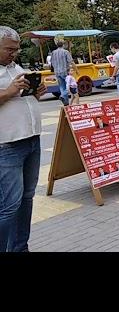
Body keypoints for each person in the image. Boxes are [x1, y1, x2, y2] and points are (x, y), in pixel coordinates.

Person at [0, 25, 48, 252]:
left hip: (31, 141)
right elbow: (9, 95)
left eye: (17, 49)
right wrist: (9, 92)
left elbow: (20, 100)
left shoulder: (15, 67)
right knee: (9, 206)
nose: (14, 53)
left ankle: (20, 248)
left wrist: (34, 94)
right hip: (7, 145)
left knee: (26, 199)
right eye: (9, 49)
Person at [50, 39, 78, 105]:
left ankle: (66, 102)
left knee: (62, 87)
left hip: (57, 72)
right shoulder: (66, 52)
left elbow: (51, 62)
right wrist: (76, 70)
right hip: (65, 71)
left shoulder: (53, 52)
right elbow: (71, 61)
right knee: (69, 85)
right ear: (63, 45)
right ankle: (63, 96)